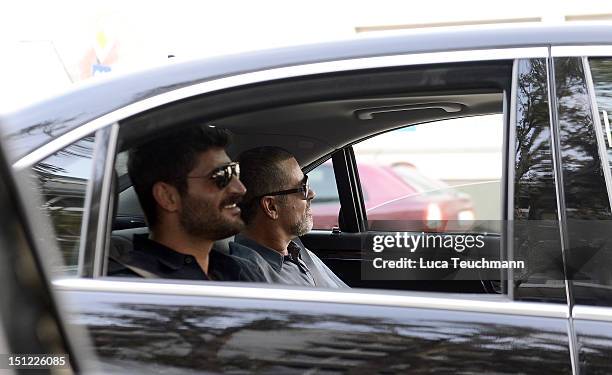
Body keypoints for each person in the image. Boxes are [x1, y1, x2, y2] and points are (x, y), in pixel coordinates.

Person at [109, 126, 265, 282]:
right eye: (222, 175)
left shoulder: (241, 271)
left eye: (234, 171)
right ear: (168, 197)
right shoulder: (136, 290)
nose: (241, 189)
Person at [231, 146, 348, 288]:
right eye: (302, 188)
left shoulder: (297, 252)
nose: (311, 193)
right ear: (271, 207)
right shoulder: (250, 276)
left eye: (306, 183)